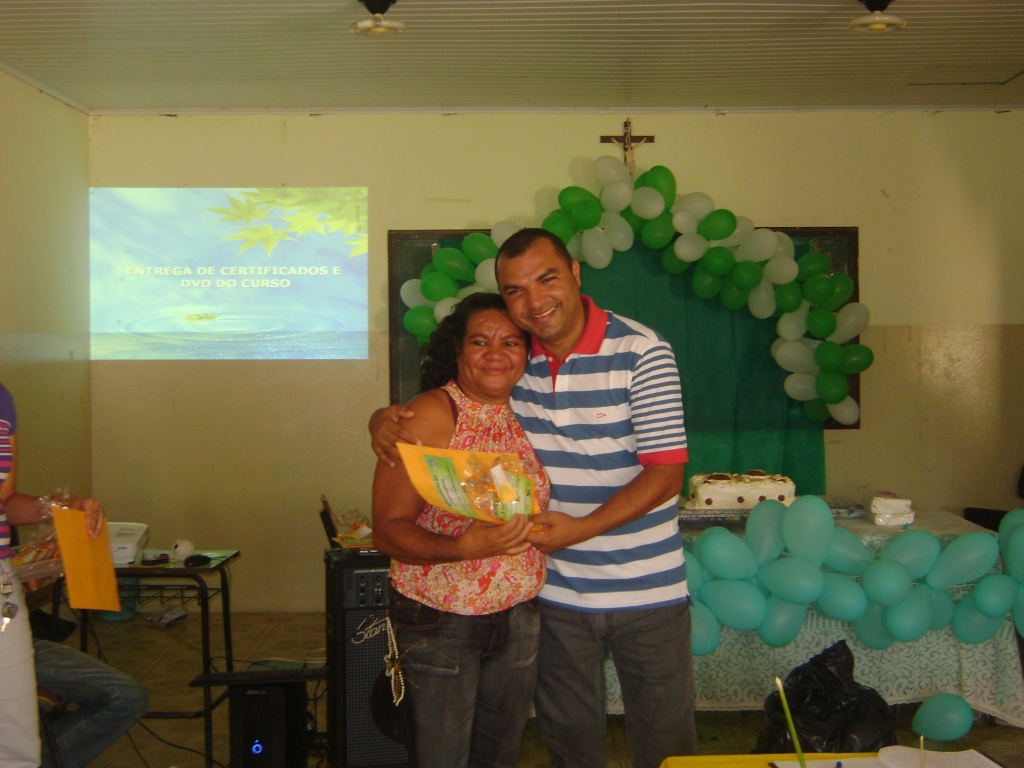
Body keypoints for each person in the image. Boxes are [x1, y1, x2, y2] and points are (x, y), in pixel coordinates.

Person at [372, 228, 696, 768]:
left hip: (646, 591)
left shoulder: (641, 351)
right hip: (556, 595)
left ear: (575, 273)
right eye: (515, 290)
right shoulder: (520, 362)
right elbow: (445, 407)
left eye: (546, 279)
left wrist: (580, 529)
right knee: (568, 744)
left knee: (666, 745)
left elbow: (666, 475)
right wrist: (383, 421)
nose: (534, 301)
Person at [371, 291, 551, 768]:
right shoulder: (430, 415)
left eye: (510, 342)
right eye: (479, 341)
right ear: (457, 349)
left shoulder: (530, 411)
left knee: (499, 758)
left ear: (526, 353)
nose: (496, 354)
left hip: (519, 615)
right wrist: (462, 547)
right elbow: (387, 531)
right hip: (441, 620)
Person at [0, 381, 149, 768]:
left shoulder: (2, 398)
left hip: (1, 589)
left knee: (16, 744)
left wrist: (62, 509)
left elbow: (4, 499)